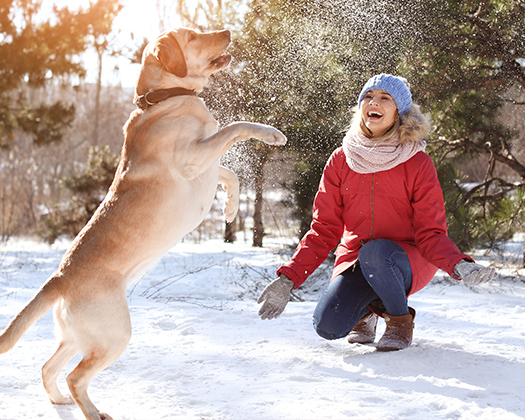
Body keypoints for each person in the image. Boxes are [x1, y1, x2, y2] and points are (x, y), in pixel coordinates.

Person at [257, 74, 496, 351]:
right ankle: (368, 311)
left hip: (408, 258)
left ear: (398, 113)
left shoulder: (417, 162)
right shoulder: (341, 159)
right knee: (328, 326)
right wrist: (289, 278)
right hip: (357, 258)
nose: (374, 102)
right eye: (369, 97)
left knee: (377, 253)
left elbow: (430, 231)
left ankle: (399, 320)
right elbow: (324, 228)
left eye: (385, 98)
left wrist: (458, 264)